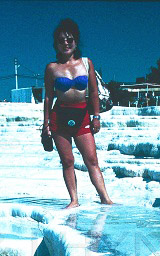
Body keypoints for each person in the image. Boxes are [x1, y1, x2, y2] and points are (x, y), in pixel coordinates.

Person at [42, 18, 113, 209]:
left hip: (82, 115)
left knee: (92, 160)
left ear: (76, 41)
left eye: (70, 39)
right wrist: (45, 126)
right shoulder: (52, 68)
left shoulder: (86, 63)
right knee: (67, 161)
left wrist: (96, 116)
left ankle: (105, 197)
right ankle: (74, 200)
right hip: (60, 117)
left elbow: (95, 91)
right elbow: (48, 98)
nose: (66, 43)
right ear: (55, 44)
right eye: (61, 40)